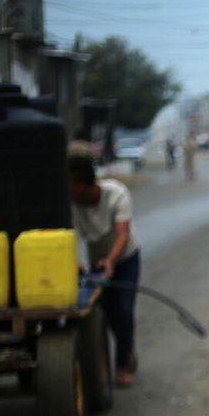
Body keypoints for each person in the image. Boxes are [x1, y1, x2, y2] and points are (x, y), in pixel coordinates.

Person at [69, 154, 141, 387]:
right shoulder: (72, 205)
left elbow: (123, 233)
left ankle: (122, 364)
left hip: (126, 259)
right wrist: (74, 263)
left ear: (80, 185)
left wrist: (111, 261)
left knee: (124, 310)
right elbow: (68, 239)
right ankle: (127, 347)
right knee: (107, 314)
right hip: (98, 266)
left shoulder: (116, 194)